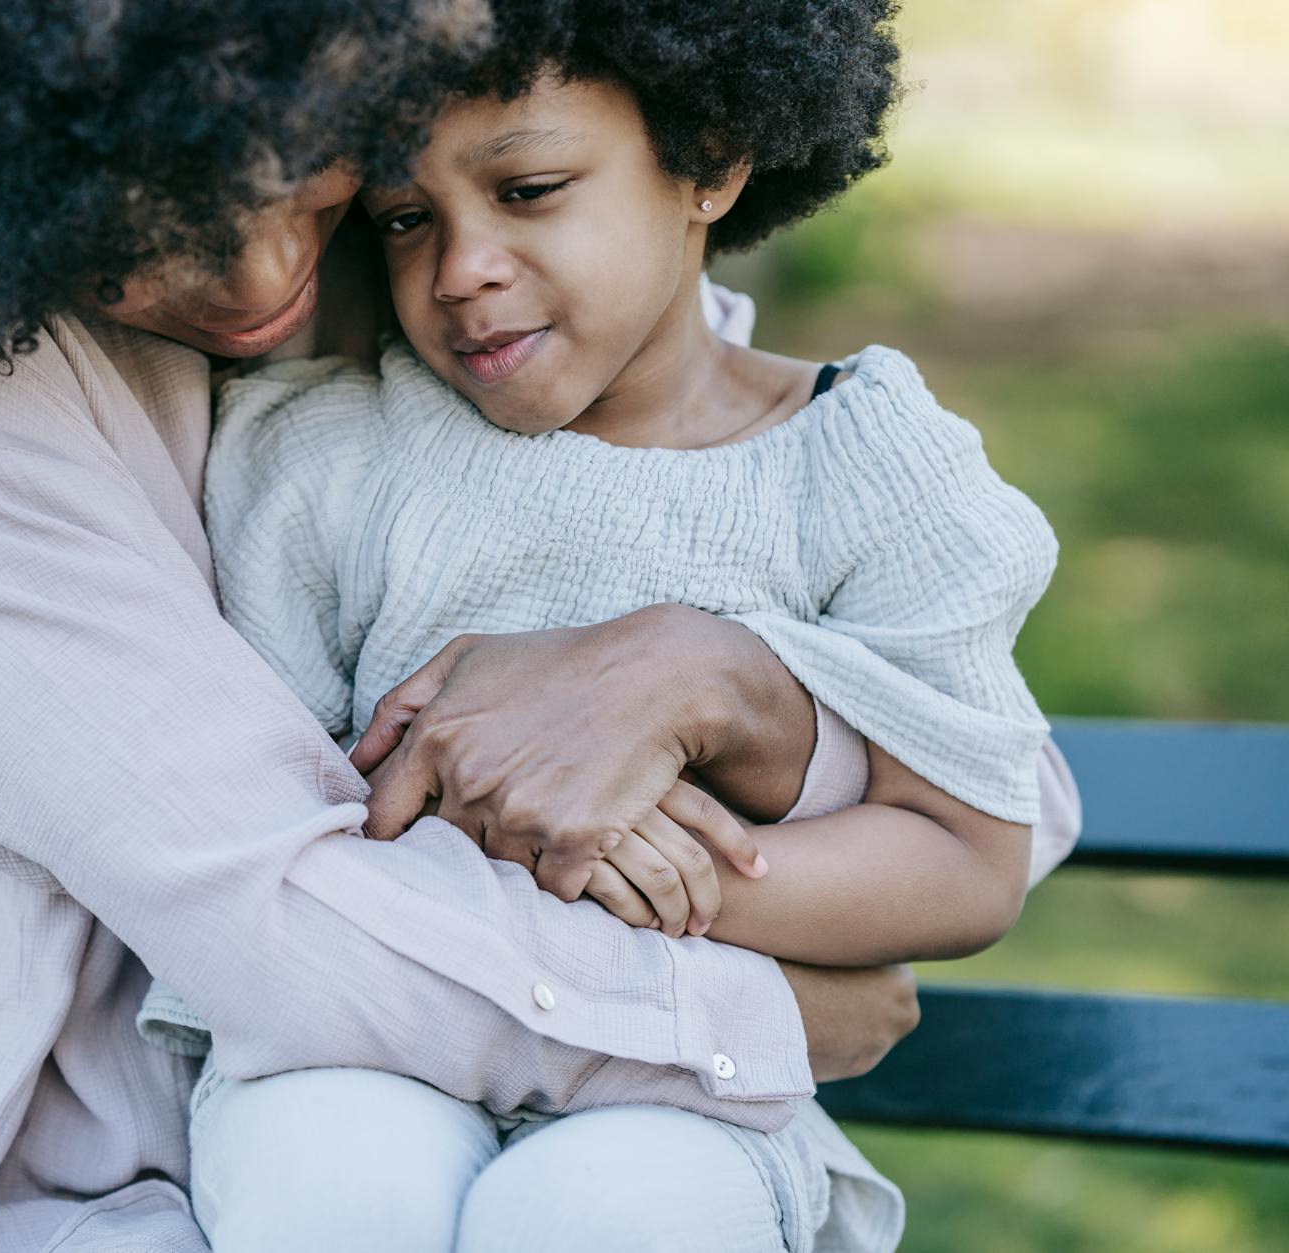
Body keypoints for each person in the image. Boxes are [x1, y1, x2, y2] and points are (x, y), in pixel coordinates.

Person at [0, 3, 1067, 1251]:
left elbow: (956, 756)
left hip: (443, 1125)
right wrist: (747, 1002)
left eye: (301, 167)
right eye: (144, 217)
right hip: (53, 1203)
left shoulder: (457, 258)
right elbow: (281, 893)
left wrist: (731, 681)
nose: (260, 277)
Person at [146, 3, 1079, 1249]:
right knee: (335, 1197)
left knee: (594, 1216)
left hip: (694, 1092)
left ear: (706, 159)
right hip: (358, 1046)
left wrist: (668, 887)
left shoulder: (869, 472)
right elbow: (268, 829)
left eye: (527, 188)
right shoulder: (327, 456)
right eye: (404, 218)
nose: (458, 267)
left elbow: (962, 858)